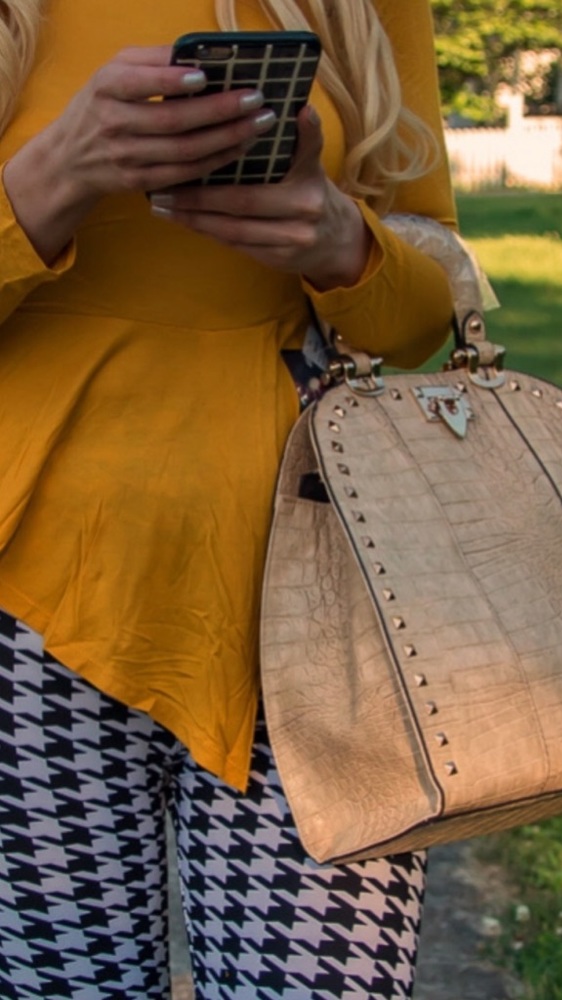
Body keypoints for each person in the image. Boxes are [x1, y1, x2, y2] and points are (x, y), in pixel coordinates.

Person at [0, 0, 457, 996]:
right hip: (22, 604)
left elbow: (430, 316)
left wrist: (341, 241)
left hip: (322, 596)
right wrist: (55, 175)